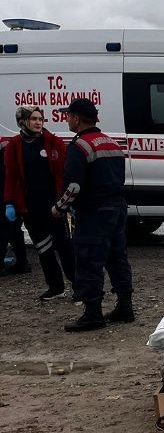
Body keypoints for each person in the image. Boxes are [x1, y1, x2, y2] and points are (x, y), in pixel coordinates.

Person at [53, 98, 133, 332]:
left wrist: (59, 207)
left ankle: (93, 314)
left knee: (89, 261)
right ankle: (125, 307)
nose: (66, 119)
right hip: (117, 208)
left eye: (68, 115)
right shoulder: (111, 143)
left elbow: (74, 187)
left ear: (77, 119)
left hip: (94, 213)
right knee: (117, 258)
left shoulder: (80, 146)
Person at [4, 107, 75, 299]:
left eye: (40, 119)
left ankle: (79, 286)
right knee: (44, 248)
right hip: (30, 206)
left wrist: (67, 200)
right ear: (23, 121)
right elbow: (11, 176)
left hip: (55, 205)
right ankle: (56, 287)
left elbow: (65, 172)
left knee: (64, 246)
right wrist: (9, 202)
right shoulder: (15, 145)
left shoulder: (53, 142)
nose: (38, 122)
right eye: (33, 119)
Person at [0, 138, 32, 277]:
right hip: (12, 197)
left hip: (7, 197)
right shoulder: (10, 144)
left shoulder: (7, 146)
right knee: (13, 230)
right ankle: (22, 262)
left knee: (4, 230)